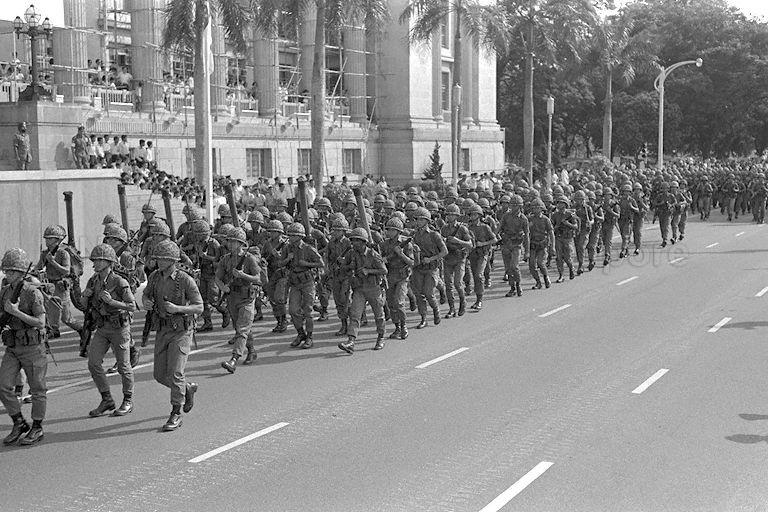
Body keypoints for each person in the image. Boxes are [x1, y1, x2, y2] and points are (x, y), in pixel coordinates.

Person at [142, 240, 203, 432]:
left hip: (181, 331)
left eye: (163, 259)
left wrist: (178, 308)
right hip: (162, 329)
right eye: (158, 258)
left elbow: (199, 306)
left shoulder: (185, 280)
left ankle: (176, 412)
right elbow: (146, 295)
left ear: (172, 260)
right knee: (160, 375)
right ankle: (187, 388)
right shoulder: (154, 277)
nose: (159, 262)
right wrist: (146, 302)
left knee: (176, 372)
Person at [0, 248, 47, 446]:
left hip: (33, 348)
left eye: (11, 271)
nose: (6, 274)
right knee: (3, 385)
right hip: (12, 346)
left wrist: (17, 313)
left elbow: (40, 322)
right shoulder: (5, 291)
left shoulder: (32, 292)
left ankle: (37, 426)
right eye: (6, 271)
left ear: (20, 273)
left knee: (37, 389)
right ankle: (19, 422)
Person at [83, 244, 136, 418]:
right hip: (102, 327)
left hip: (119, 328)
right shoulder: (94, 280)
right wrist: (86, 295)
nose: (95, 263)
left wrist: (112, 302)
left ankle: (128, 400)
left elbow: (132, 306)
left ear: (109, 262)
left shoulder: (120, 282)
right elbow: (84, 305)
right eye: (94, 260)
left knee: (123, 366)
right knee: (93, 363)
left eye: (99, 260)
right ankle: (106, 399)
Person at [217, 227, 262, 373]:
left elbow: (258, 279)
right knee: (240, 328)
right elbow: (217, 277)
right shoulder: (226, 259)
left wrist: (243, 275)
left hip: (247, 298)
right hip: (232, 297)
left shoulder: (249, 259)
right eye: (229, 241)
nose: (230, 244)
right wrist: (223, 287)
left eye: (233, 241)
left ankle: (234, 359)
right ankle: (252, 350)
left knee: (242, 329)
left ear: (241, 243)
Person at [281, 223, 324, 349]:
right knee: (293, 310)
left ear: (300, 236)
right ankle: (301, 333)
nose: (291, 237)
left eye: (294, 235)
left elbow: (320, 263)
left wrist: (306, 263)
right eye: (290, 235)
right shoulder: (287, 249)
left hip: (307, 282)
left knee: (308, 311)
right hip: (294, 282)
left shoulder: (307, 248)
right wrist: (287, 259)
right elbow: (280, 263)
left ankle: (309, 337)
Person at [36, 225, 83, 339]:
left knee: (66, 318)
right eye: (46, 238)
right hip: (49, 285)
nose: (47, 240)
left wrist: (52, 262)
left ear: (58, 239)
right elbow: (39, 267)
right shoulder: (45, 253)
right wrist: (35, 272)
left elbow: (66, 271)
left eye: (50, 238)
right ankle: (53, 330)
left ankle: (81, 329)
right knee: (49, 310)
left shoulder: (63, 253)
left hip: (61, 286)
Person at [411, 207, 447, 328]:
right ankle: (424, 318)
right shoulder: (414, 235)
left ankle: (436, 310)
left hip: (431, 268)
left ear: (427, 221)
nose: (418, 222)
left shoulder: (434, 235)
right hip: (418, 268)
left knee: (428, 293)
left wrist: (431, 259)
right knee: (419, 294)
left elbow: (444, 251)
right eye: (417, 219)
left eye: (421, 219)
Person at [441, 204, 473, 315]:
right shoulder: (444, 228)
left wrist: (457, 241)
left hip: (459, 258)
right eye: (448, 214)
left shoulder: (462, 228)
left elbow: (470, 244)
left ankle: (462, 303)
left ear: (456, 216)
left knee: (458, 283)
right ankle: (451, 308)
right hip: (448, 258)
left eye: (452, 215)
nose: (449, 216)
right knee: (448, 285)